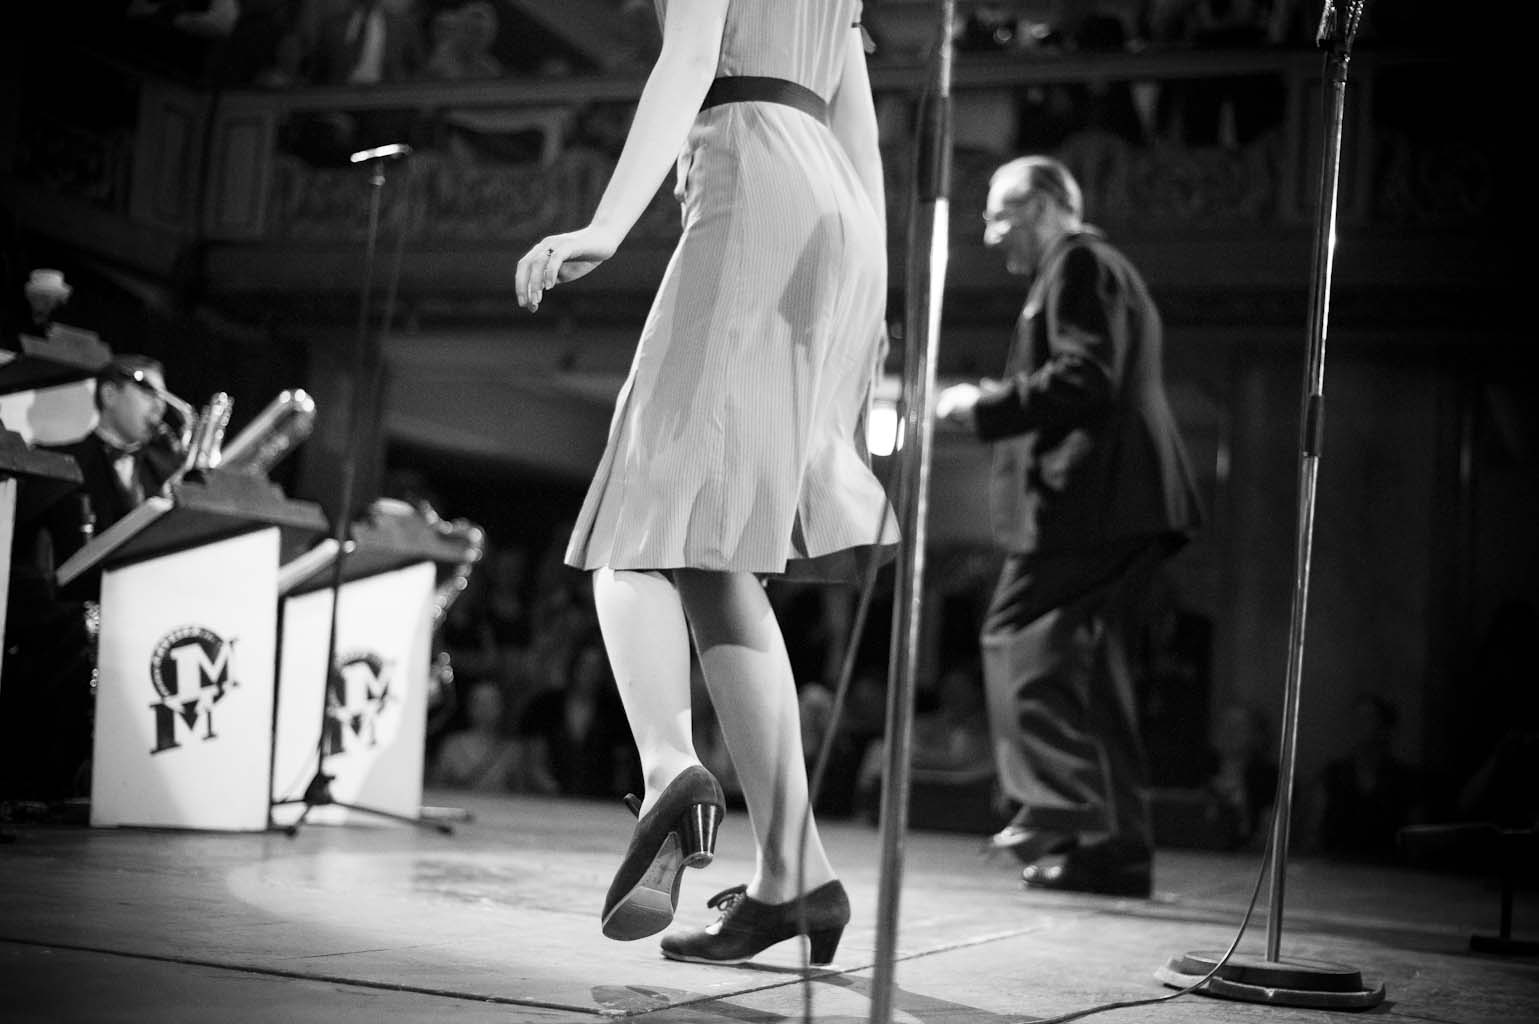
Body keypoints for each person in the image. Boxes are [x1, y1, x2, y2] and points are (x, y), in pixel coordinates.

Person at [513, 0, 895, 966]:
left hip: (754, 178)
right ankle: (795, 874)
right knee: (716, 556)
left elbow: (689, 57)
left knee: (636, 516)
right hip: (837, 211)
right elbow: (858, 120)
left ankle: (668, 773)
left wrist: (606, 225)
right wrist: (873, 290)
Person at [936, 155, 1202, 898]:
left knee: (1016, 632)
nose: (991, 234)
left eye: (1000, 215)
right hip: (1120, 501)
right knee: (1093, 677)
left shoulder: (1079, 264)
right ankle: (1117, 849)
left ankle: (1059, 799)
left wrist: (983, 407)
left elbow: (1087, 376)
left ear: (1045, 205)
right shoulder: (1092, 268)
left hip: (1094, 500)